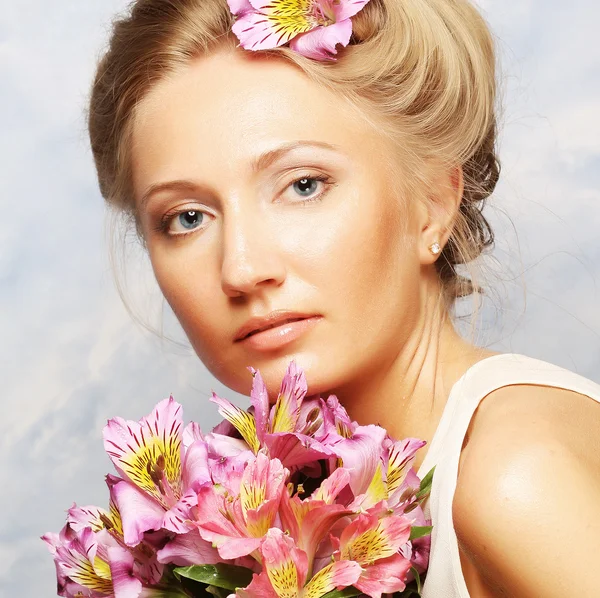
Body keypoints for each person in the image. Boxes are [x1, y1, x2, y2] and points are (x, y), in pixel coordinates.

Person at [87, 0, 600, 595]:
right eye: (186, 218)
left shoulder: (516, 478)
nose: (243, 269)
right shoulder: (298, 502)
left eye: (304, 185)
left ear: (432, 200)